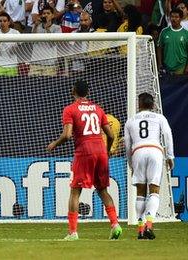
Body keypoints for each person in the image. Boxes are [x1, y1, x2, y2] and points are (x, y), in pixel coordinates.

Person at [47, 80, 122, 241]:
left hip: (84, 152)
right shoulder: (98, 109)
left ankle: (73, 232)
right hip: (101, 151)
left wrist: (54, 143)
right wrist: (107, 152)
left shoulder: (70, 109)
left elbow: (67, 135)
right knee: (102, 191)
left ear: (73, 90)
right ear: (88, 92)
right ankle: (115, 224)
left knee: (75, 191)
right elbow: (110, 135)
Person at [124, 92, 174, 240]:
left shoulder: (131, 121)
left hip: (138, 151)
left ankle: (140, 229)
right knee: (154, 190)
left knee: (140, 192)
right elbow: (167, 134)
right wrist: (170, 156)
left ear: (139, 105)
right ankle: (149, 225)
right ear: (153, 105)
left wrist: (131, 162)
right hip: (155, 151)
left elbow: (127, 144)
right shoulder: (159, 118)